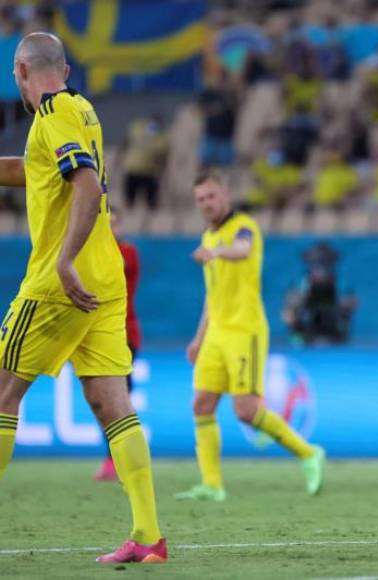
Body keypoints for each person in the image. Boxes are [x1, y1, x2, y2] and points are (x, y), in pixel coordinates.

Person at [0, 32, 165, 564]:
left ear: (20, 72)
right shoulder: (81, 111)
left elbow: (87, 187)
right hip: (105, 278)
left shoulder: (52, 117)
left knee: (1, 395)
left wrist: (64, 260)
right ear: (65, 70)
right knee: (110, 403)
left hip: (60, 281)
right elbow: (36, 172)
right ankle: (148, 536)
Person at [176, 171, 325, 502]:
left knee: (245, 410)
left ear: (225, 195)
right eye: (200, 199)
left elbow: (241, 250)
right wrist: (199, 337)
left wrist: (215, 253)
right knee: (201, 403)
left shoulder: (244, 227)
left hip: (245, 331)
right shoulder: (208, 238)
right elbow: (211, 295)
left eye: (211, 196)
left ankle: (309, 453)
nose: (206, 204)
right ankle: (212, 484)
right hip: (215, 332)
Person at [94, 206, 142, 482]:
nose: (111, 228)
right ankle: (116, 457)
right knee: (102, 401)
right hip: (97, 336)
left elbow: (107, 272)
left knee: (117, 399)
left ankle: (123, 460)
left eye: (115, 223)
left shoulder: (127, 254)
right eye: (106, 223)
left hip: (124, 334)